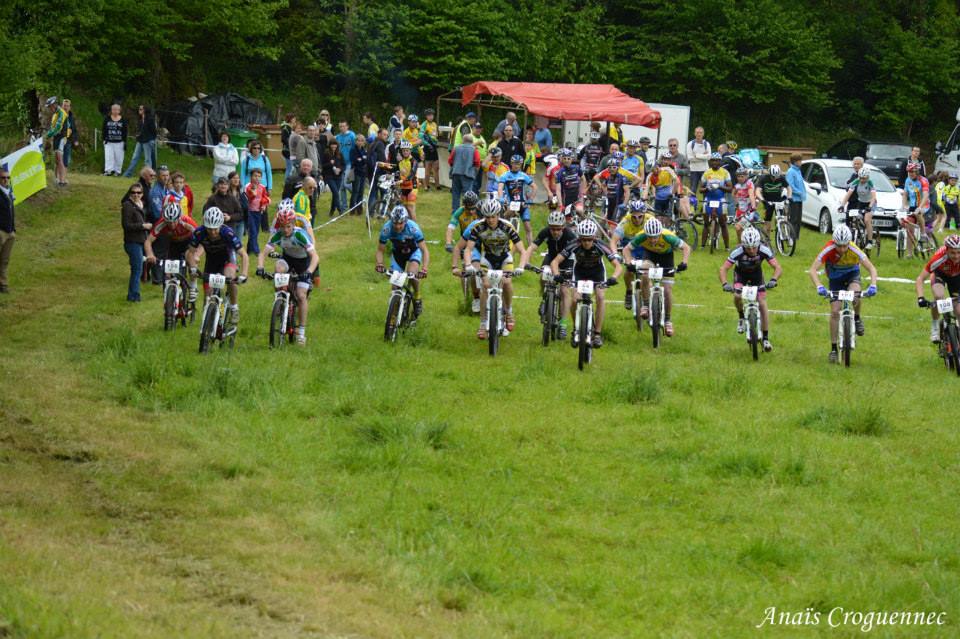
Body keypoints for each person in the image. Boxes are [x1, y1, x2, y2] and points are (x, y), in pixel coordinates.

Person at [808, 225, 879, 363]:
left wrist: (873, 285)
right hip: (835, 279)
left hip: (852, 275)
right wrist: (819, 286)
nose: (841, 249)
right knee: (835, 311)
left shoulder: (854, 249)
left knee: (856, 294)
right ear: (834, 242)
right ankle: (834, 349)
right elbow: (812, 270)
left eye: (844, 246)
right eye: (838, 246)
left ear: (849, 242)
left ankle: (857, 318)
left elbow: (871, 268)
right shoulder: (828, 249)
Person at [550, 218, 623, 347]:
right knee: (574, 299)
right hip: (579, 272)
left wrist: (613, 278)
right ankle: (576, 329)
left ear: (594, 238)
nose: (586, 242)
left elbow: (618, 266)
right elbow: (555, 262)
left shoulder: (600, 245)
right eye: (583, 239)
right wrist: (557, 276)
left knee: (600, 296)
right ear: (579, 238)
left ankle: (597, 334)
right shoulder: (574, 244)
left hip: (597, 273)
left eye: (589, 239)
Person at [256, 209, 320, 346]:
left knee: (301, 295)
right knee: (278, 268)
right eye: (282, 226)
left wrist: (309, 272)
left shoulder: (300, 235)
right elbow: (262, 254)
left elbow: (315, 256)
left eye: (288, 226)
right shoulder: (278, 235)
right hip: (288, 260)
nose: (285, 230)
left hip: (303, 264)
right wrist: (260, 268)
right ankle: (280, 298)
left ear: (293, 224)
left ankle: (301, 332)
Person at [463, 199, 526, 338]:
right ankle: (483, 323)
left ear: (498, 214)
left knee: (507, 282)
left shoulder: (508, 226)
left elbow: (522, 250)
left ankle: (508, 312)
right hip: (488, 259)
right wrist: (468, 265)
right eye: (487, 217)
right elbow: (468, 249)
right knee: (485, 285)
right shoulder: (478, 227)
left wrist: (521, 267)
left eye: (493, 216)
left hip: (504, 258)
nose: (490, 220)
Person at [623, 217, 691, 338]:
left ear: (660, 233)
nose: (653, 240)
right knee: (644, 273)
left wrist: (684, 263)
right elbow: (626, 249)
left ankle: (668, 320)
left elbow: (686, 247)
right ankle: (645, 304)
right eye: (650, 237)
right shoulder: (641, 236)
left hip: (666, 257)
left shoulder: (668, 236)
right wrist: (629, 263)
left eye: (655, 237)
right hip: (650, 256)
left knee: (668, 289)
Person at [719, 227, 782, 351]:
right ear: (743, 245)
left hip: (756, 276)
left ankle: (765, 339)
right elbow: (723, 269)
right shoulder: (737, 251)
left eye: (754, 247)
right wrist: (725, 283)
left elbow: (778, 267)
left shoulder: (764, 250)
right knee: (737, 296)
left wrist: (774, 279)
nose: (752, 250)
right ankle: (741, 317)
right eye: (748, 248)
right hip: (740, 276)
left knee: (763, 304)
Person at [187, 207, 246, 330]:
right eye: (209, 229)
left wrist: (244, 274)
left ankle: (234, 307)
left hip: (228, 259)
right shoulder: (199, 232)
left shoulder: (227, 233)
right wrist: (192, 267)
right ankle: (207, 326)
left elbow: (244, 255)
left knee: (230, 278)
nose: (213, 232)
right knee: (207, 296)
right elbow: (190, 253)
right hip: (212, 262)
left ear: (221, 225)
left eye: (215, 229)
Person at [522, 209, 578, 337]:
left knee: (564, 291)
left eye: (558, 229)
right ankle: (544, 298)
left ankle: (563, 323)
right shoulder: (545, 232)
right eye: (553, 229)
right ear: (549, 227)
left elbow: (578, 253)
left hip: (567, 260)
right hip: (551, 257)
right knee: (543, 276)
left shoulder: (570, 235)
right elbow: (531, 247)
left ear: (563, 227)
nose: (555, 232)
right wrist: (525, 262)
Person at [375, 205, 430, 318]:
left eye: (400, 223)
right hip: (398, 255)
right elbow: (380, 250)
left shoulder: (413, 228)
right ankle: (394, 315)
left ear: (405, 221)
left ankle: (417, 297)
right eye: (395, 223)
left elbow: (424, 250)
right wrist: (380, 264)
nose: (397, 226)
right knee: (395, 286)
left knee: (412, 273)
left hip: (414, 252)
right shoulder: (387, 228)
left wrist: (424, 268)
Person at [145, 201, 199, 302]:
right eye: (169, 222)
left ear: (179, 217)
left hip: (189, 242)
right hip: (174, 244)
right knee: (169, 270)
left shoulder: (186, 221)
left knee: (191, 260)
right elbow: (148, 241)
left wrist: (196, 254)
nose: (172, 224)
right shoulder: (161, 223)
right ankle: (170, 296)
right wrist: (150, 254)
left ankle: (193, 286)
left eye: (174, 221)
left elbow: (201, 238)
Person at [917, 235, 960, 342]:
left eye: (959, 252)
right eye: (953, 252)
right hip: (940, 275)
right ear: (946, 250)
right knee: (938, 296)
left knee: (958, 310)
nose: (956, 256)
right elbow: (920, 279)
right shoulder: (938, 258)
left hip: (957, 277)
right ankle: (935, 326)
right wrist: (920, 298)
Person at [613, 200, 655, 310]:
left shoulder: (650, 219)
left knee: (646, 275)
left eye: (640, 216)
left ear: (644, 214)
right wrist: (615, 254)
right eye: (634, 217)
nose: (637, 220)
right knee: (629, 271)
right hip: (629, 248)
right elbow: (613, 241)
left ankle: (650, 305)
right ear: (630, 214)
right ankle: (629, 291)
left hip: (645, 247)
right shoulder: (625, 222)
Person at [121, 182, 151, 302]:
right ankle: (134, 296)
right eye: (133, 192)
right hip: (132, 242)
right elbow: (126, 225)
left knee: (137, 268)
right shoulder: (128, 206)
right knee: (137, 269)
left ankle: (133, 294)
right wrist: (143, 226)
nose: (136, 195)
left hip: (140, 241)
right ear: (129, 194)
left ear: (142, 194)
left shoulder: (140, 205)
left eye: (138, 193)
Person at [498, 154, 537, 245]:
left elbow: (535, 187)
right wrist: (501, 198)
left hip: (523, 203)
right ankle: (503, 242)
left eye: (519, 164)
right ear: (511, 163)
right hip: (511, 204)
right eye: (515, 164)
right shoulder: (505, 175)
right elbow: (500, 188)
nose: (517, 166)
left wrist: (530, 198)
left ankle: (531, 248)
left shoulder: (523, 175)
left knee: (528, 227)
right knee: (505, 222)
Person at [838, 167, 877, 249]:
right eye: (861, 178)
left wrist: (870, 207)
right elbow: (848, 195)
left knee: (867, 220)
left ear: (868, 177)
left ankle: (870, 241)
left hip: (871, 203)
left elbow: (873, 197)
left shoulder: (870, 183)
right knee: (854, 218)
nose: (862, 180)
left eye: (864, 178)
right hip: (861, 202)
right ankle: (858, 235)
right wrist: (842, 205)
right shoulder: (856, 182)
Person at [700, 152, 733, 249]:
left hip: (720, 199)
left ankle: (727, 247)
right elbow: (700, 189)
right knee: (706, 224)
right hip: (709, 199)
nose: (715, 162)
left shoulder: (725, 173)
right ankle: (702, 246)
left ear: (720, 162)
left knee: (723, 224)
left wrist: (720, 186)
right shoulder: (706, 172)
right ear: (710, 162)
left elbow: (730, 188)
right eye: (713, 160)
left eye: (717, 160)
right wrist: (707, 188)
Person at [901, 162, 931, 258]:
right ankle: (910, 254)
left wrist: (920, 207)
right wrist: (904, 205)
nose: (910, 174)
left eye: (912, 172)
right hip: (913, 205)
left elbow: (926, 195)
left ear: (917, 172)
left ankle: (923, 233)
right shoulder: (907, 180)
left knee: (918, 213)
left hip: (924, 204)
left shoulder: (923, 180)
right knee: (909, 229)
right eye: (909, 172)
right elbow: (905, 194)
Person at [594, 158, 637, 225]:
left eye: (614, 167)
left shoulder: (622, 178)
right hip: (610, 203)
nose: (612, 169)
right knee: (608, 222)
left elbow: (627, 191)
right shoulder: (608, 178)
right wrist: (603, 191)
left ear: (617, 168)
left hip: (618, 204)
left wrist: (624, 204)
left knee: (614, 225)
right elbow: (604, 186)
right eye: (610, 167)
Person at [448, 133, 481, 214]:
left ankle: (455, 211)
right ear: (472, 141)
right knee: (467, 194)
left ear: (463, 140)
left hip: (456, 173)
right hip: (468, 174)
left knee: (455, 193)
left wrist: (455, 166)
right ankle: (467, 210)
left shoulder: (456, 148)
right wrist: (474, 173)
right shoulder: (474, 150)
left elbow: (450, 160)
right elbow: (477, 163)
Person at [756, 164, 791, 237]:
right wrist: (763, 200)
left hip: (778, 201)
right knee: (767, 223)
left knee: (781, 218)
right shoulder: (764, 178)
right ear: (769, 174)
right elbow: (757, 191)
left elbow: (789, 188)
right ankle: (766, 241)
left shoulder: (781, 178)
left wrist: (789, 197)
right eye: (773, 177)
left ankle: (781, 231)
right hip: (768, 202)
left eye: (776, 176)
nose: (775, 178)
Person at [122, 105, 157, 177]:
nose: (139, 110)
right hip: (140, 141)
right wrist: (138, 135)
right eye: (139, 109)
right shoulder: (140, 119)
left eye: (141, 109)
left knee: (147, 160)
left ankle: (149, 175)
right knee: (135, 157)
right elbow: (140, 130)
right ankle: (127, 174)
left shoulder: (150, 119)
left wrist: (152, 140)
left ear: (145, 110)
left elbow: (154, 131)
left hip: (147, 141)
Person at [243, 168, 270, 257]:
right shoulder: (247, 186)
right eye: (255, 176)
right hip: (249, 212)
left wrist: (264, 204)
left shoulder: (262, 187)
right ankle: (257, 251)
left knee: (256, 231)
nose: (257, 178)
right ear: (251, 177)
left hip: (258, 212)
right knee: (253, 231)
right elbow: (246, 199)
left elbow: (265, 197)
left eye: (259, 176)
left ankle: (249, 250)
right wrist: (252, 194)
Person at [45, 97, 70, 186]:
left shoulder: (61, 113)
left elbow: (58, 128)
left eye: (50, 106)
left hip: (61, 138)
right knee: (56, 159)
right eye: (49, 107)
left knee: (59, 159)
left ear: (55, 104)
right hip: (56, 138)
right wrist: (49, 134)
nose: (49, 108)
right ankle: (58, 179)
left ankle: (62, 181)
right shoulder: (55, 114)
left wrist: (47, 135)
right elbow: (52, 127)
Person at [731, 167, 759, 241]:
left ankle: (740, 244)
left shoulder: (749, 184)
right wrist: (736, 203)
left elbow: (751, 195)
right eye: (738, 176)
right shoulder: (737, 185)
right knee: (741, 229)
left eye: (742, 176)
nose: (740, 178)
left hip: (749, 210)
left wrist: (753, 206)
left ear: (746, 176)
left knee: (738, 227)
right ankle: (743, 243)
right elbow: (733, 194)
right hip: (740, 210)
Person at [555, 148, 586, 214]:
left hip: (577, 197)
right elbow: (558, 190)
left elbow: (583, 179)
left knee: (580, 211)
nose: (567, 160)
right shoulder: (560, 172)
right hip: (566, 199)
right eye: (565, 158)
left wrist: (583, 191)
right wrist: (560, 204)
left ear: (571, 159)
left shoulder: (577, 168)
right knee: (567, 216)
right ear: (562, 159)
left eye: (568, 158)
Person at [0, 167, 16, 293]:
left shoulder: (9, 192)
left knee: (5, 260)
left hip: (10, 232)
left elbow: (12, 212)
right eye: (3, 178)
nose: (6, 180)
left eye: (7, 177)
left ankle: (3, 284)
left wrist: (13, 229)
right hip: (1, 231)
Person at [395, 140, 419, 219]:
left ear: (410, 151)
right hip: (404, 186)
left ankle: (414, 227)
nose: (405, 152)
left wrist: (403, 180)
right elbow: (399, 173)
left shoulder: (414, 161)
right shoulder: (401, 162)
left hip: (413, 185)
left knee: (410, 207)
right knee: (405, 208)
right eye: (404, 150)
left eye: (407, 150)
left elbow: (412, 174)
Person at [786, 153, 807, 242]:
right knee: (793, 219)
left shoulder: (798, 171)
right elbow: (790, 185)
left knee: (798, 219)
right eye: (799, 160)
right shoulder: (791, 171)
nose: (801, 162)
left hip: (800, 199)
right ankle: (791, 237)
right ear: (795, 162)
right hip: (793, 198)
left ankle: (795, 238)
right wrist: (799, 192)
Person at [102, 104, 127, 176]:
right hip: (109, 141)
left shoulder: (123, 120)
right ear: (111, 110)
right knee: (108, 156)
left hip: (119, 142)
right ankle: (108, 171)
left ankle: (117, 171)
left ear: (119, 111)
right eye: (113, 109)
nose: (115, 111)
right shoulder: (107, 118)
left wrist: (125, 142)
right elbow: (104, 129)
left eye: (116, 109)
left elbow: (125, 131)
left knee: (119, 157)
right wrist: (104, 139)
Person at [322, 139, 345, 217]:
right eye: (332, 144)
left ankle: (332, 211)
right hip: (329, 176)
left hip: (338, 177)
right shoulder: (326, 154)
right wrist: (330, 163)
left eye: (335, 144)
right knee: (336, 193)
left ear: (337, 145)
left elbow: (343, 165)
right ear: (330, 145)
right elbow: (323, 166)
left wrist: (340, 169)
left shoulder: (340, 154)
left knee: (335, 195)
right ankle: (340, 210)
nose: (333, 146)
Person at [420, 108, 441, 191]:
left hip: (434, 146)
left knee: (436, 166)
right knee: (428, 167)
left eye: (432, 115)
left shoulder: (434, 124)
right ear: (426, 116)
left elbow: (435, 135)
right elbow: (421, 136)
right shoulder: (424, 124)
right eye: (429, 115)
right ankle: (427, 185)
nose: (431, 116)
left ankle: (437, 185)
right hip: (428, 146)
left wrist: (436, 141)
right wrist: (427, 144)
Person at [686, 127, 711, 195]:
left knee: (706, 188)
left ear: (703, 134)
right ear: (694, 133)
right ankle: (692, 205)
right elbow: (690, 158)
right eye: (697, 132)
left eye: (700, 133)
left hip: (705, 170)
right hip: (694, 170)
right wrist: (703, 156)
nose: (699, 134)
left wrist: (696, 155)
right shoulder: (690, 144)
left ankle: (705, 204)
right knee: (693, 189)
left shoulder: (707, 144)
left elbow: (709, 157)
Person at [348, 135, 369, 212]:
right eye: (358, 140)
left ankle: (359, 209)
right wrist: (361, 160)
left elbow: (365, 161)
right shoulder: (353, 150)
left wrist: (361, 159)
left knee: (361, 191)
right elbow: (353, 161)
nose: (360, 142)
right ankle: (352, 209)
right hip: (356, 172)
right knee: (355, 191)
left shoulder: (365, 150)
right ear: (356, 141)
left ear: (364, 142)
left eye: (362, 141)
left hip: (363, 173)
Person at [469, 122, 488, 194]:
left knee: (479, 181)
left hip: (481, 162)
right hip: (472, 162)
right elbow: (465, 147)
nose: (478, 130)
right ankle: (472, 195)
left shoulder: (482, 138)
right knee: (473, 180)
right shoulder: (469, 137)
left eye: (479, 128)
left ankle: (475, 194)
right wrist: (475, 144)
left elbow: (485, 150)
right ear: (473, 128)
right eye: (476, 128)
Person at [280, 113, 296, 178]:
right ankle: (287, 183)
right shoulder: (286, 127)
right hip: (287, 152)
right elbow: (283, 139)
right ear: (291, 119)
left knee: (292, 166)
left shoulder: (289, 127)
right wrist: (290, 144)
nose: (295, 120)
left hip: (291, 152)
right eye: (294, 118)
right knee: (289, 167)